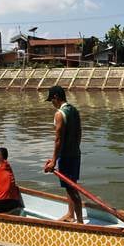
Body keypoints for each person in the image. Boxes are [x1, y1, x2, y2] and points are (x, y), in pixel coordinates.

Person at [43, 85, 83, 223]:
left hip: (66, 157)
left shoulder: (60, 114)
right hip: (75, 154)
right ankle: (70, 214)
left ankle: (80, 222)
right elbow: (79, 134)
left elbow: (58, 139)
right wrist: (58, 156)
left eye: (51, 100)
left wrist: (54, 160)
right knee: (70, 185)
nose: (52, 104)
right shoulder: (74, 110)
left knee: (72, 189)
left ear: (56, 97)